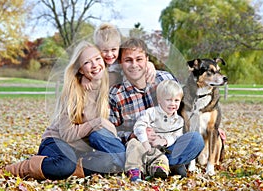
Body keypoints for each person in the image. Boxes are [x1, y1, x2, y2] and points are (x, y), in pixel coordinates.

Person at [0, 41, 126, 180]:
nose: (95, 65)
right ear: (80, 69)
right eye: (87, 62)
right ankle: (6, 171)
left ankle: (63, 169)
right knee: (65, 163)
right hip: (57, 141)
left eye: (97, 59)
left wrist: (150, 68)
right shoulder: (73, 91)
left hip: (79, 152)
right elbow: (67, 134)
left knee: (108, 160)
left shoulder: (105, 88)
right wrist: (98, 122)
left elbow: (129, 69)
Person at [108, 37, 205, 180]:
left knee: (196, 140)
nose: (134, 65)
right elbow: (113, 131)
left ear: (147, 59)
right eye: (128, 60)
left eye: (139, 59)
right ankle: (164, 166)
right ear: (121, 63)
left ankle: (157, 165)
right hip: (137, 147)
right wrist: (133, 135)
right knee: (124, 149)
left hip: (166, 144)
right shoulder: (116, 94)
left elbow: (184, 109)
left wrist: (165, 139)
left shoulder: (165, 79)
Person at [125, 80, 184, 181]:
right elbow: (139, 126)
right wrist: (145, 142)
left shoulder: (178, 121)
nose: (172, 104)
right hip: (142, 144)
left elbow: (176, 136)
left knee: (162, 157)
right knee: (133, 145)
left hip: (158, 148)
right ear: (159, 100)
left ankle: (158, 170)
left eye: (176, 100)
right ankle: (135, 171)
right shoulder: (151, 112)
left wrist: (164, 141)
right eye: (168, 100)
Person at [82, 22, 156, 89]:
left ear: (118, 47)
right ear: (97, 49)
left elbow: (138, 62)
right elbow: (86, 70)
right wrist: (84, 78)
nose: (109, 54)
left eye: (113, 49)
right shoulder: (97, 63)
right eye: (105, 50)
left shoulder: (121, 60)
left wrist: (150, 65)